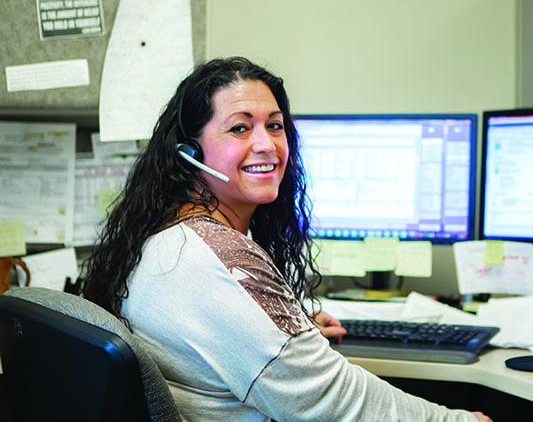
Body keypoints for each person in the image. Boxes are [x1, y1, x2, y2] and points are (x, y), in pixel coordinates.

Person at [82, 57, 491, 422]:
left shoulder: (168, 237)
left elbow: (222, 335)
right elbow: (334, 404)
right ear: (189, 152)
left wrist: (287, 338)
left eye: (274, 126)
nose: (267, 145)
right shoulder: (216, 260)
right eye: (240, 128)